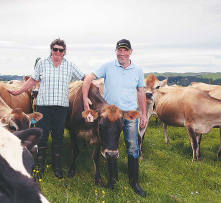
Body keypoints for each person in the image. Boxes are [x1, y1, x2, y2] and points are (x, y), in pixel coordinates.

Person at [8, 38, 85, 179]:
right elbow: (32, 80)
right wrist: (18, 91)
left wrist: (93, 85)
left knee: (58, 136)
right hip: (43, 106)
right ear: (51, 50)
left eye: (60, 50)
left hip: (61, 108)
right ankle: (40, 167)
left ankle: (57, 167)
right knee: (42, 136)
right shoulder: (42, 64)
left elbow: (84, 77)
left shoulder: (70, 66)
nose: (57, 52)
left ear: (64, 52)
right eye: (55, 49)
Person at [82, 39, 147, 197]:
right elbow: (88, 78)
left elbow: (140, 92)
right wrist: (85, 98)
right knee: (111, 143)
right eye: (119, 50)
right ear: (116, 51)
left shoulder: (137, 70)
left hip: (129, 113)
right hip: (111, 114)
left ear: (130, 52)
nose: (122, 53)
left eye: (125, 51)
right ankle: (113, 179)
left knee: (132, 146)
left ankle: (134, 183)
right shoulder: (107, 66)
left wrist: (144, 113)